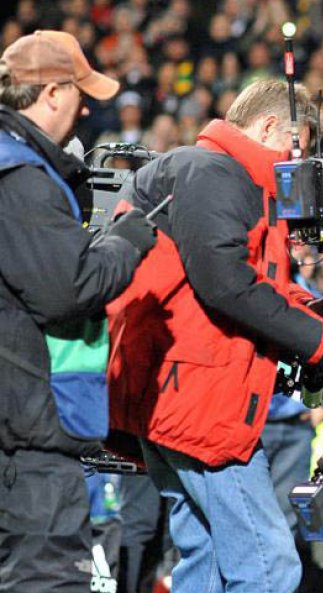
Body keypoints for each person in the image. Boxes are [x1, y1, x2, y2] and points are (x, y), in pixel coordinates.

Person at [104, 78, 323, 593]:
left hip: (179, 398)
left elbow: (253, 284)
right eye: (292, 148)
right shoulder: (214, 171)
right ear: (269, 125)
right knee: (269, 568)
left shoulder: (204, 170)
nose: (292, 167)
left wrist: (321, 315)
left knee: (205, 564)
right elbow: (227, 286)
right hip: (201, 405)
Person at [0, 30, 156, 592]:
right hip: (30, 436)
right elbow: (69, 289)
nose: (86, 106)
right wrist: (127, 238)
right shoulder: (19, 176)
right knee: (45, 581)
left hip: (18, 425)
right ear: (52, 92)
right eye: (80, 91)